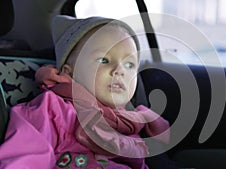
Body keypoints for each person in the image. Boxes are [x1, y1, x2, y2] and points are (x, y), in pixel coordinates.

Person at [0, 15, 170, 169]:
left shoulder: (129, 122)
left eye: (129, 65)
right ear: (69, 72)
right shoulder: (52, 110)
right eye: (104, 60)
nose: (120, 70)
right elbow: (24, 160)